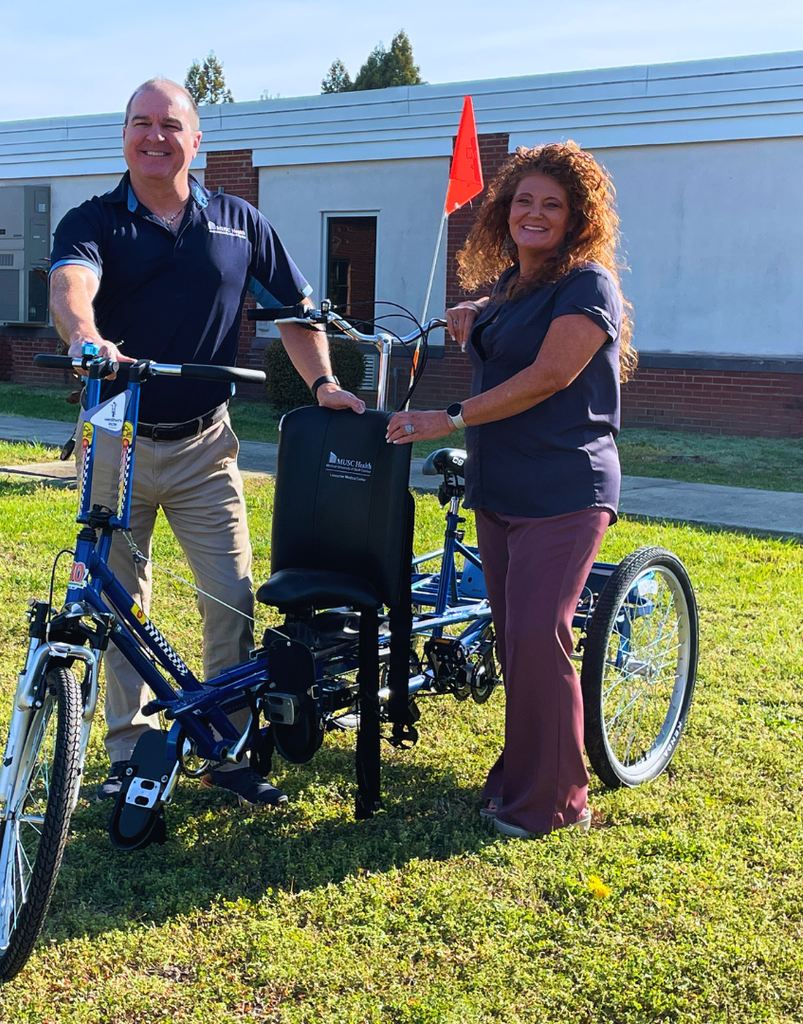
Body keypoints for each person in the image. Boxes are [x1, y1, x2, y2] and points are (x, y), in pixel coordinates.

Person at [49, 78, 364, 807]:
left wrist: (321, 384)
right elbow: (72, 286)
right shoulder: (93, 220)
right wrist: (87, 337)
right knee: (117, 601)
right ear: (123, 136)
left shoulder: (238, 222)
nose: (153, 137)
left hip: (204, 444)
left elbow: (294, 309)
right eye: (139, 124)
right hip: (115, 434)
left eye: (169, 126)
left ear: (197, 142)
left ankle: (226, 747)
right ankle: (128, 755)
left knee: (230, 597)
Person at [387, 141, 636, 838]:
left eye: (552, 205)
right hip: (499, 487)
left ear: (577, 217)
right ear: (504, 209)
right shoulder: (509, 287)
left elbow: (550, 374)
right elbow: (500, 320)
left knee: (538, 632)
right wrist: (472, 310)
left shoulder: (588, 285)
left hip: (565, 486)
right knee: (516, 642)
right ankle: (523, 776)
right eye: (524, 200)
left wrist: (450, 418)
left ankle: (558, 803)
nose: (535, 213)